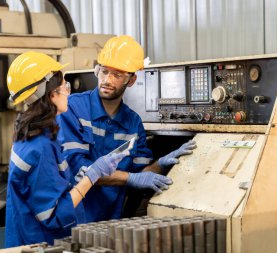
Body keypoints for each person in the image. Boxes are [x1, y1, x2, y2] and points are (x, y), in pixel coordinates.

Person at [57, 35, 197, 223]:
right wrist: (130, 178)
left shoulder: (133, 123)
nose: (107, 79)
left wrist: (162, 164)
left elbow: (140, 175)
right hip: (72, 221)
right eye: (104, 71)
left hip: (111, 223)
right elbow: (80, 170)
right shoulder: (73, 108)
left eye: (117, 74)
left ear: (131, 80)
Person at [4, 51, 127, 247]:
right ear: (51, 94)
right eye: (65, 87)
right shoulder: (41, 146)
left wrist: (74, 180)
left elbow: (45, 185)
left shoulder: (33, 132)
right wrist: (92, 176)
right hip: (40, 243)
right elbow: (53, 215)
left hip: (28, 237)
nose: (69, 93)